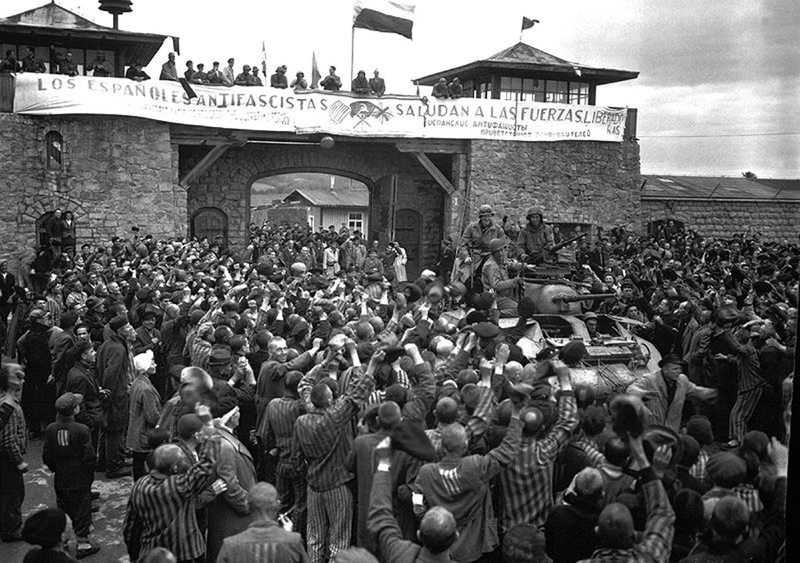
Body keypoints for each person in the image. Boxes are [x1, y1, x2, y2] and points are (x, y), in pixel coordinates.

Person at [413, 362, 523, 563]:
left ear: (443, 446)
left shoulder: (426, 472)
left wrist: (424, 517)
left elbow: (416, 498)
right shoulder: (475, 466)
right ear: (465, 445)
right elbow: (506, 451)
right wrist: (516, 416)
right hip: (474, 545)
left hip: (438, 541)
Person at [291, 340, 373, 563]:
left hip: (313, 486)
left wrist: (325, 362)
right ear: (330, 400)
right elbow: (358, 393)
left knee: (315, 538)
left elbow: (304, 384)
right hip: (338, 485)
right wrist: (371, 364)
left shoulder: (302, 419)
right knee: (339, 538)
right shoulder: (335, 418)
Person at [123, 431, 226, 562]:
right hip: (186, 553)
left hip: (153, 552)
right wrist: (214, 433)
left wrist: (135, 555)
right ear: (176, 468)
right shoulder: (177, 486)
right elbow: (205, 466)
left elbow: (130, 527)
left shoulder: (139, 485)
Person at [582, 435, 675, 562]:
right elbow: (662, 514)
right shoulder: (650, 558)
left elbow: (662, 514)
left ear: (597, 531)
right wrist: (649, 467)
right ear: (634, 534)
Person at [369, 436, 459, 563]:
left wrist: (383, 465)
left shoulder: (399, 553)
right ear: (456, 537)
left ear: (418, 535)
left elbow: (381, 517)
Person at [42, 392, 99, 559]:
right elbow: (88, 455)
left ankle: (63, 541)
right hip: (80, 475)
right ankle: (83, 543)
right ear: (75, 410)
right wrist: (90, 470)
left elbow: (47, 455)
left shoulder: (51, 429)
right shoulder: (82, 429)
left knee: (63, 506)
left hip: (61, 475)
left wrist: (56, 468)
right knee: (82, 508)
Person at [206, 406, 258, 563]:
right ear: (228, 417)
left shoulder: (224, 438)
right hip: (233, 519)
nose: (239, 414)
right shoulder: (225, 446)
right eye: (236, 411)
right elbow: (230, 486)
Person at [217, 482, 308, 562]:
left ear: (247, 506)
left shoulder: (230, 546)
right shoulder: (293, 541)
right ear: (277, 506)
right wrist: (288, 536)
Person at [627, 354, 718, 433]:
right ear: (665, 369)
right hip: (652, 429)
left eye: (680, 369)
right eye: (675, 369)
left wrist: (715, 392)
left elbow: (696, 391)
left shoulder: (682, 380)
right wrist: (643, 393)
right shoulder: (650, 380)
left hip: (671, 431)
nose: (679, 371)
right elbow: (631, 389)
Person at [96, 315, 136, 478]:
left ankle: (106, 461)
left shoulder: (107, 344)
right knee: (114, 430)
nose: (131, 329)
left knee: (107, 430)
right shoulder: (118, 349)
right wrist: (108, 394)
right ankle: (114, 466)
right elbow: (110, 374)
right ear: (121, 331)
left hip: (111, 394)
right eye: (128, 327)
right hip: (115, 396)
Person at [0, 363, 27, 543]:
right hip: (8, 460)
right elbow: (7, 440)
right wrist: (19, 461)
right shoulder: (8, 405)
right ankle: (11, 529)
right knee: (13, 493)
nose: (22, 380)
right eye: (17, 376)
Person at [127, 351, 162, 480]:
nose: (155, 365)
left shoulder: (137, 382)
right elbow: (152, 416)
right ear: (146, 368)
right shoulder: (146, 389)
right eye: (152, 363)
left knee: (138, 466)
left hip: (136, 432)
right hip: (144, 434)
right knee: (144, 470)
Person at [481, 238, 523, 317]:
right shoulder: (491, 265)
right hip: (495, 297)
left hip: (504, 294)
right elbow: (496, 285)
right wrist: (514, 281)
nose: (500, 253)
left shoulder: (499, 260)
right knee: (519, 310)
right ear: (493, 253)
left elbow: (508, 264)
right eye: (497, 252)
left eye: (502, 250)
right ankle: (496, 314)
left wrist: (524, 266)